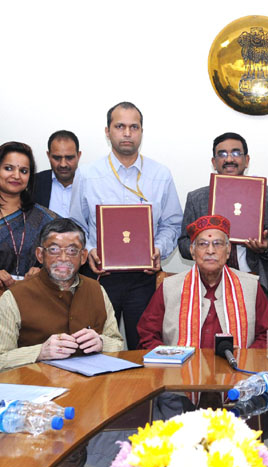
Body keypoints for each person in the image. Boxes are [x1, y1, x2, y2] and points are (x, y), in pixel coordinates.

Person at [69, 101, 182, 349]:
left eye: (134, 127)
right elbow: (76, 224)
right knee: (95, 347)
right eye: (120, 126)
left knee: (143, 347)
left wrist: (158, 250)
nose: (127, 133)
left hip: (143, 278)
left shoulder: (160, 174)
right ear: (108, 131)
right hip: (99, 276)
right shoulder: (88, 174)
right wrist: (89, 249)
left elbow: (173, 224)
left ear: (142, 131)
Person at [0, 218, 124, 376]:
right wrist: (40, 352)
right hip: (35, 391)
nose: (63, 258)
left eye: (72, 251)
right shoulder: (15, 297)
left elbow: (118, 343)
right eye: (54, 250)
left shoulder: (97, 290)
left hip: (92, 387)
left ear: (83, 257)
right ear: (40, 255)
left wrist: (101, 343)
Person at [177, 132, 268, 305]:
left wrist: (264, 247)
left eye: (236, 153)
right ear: (214, 162)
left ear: (247, 160)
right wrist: (202, 245)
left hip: (253, 282)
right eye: (222, 154)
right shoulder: (197, 198)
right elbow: (184, 244)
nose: (229, 159)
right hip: (207, 285)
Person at [137, 215, 268, 350]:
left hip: (237, 368)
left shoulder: (250, 287)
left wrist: (244, 359)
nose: (210, 251)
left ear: (228, 250)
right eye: (203, 244)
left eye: (217, 244)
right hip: (180, 369)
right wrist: (170, 359)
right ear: (192, 251)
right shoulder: (169, 287)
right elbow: (147, 335)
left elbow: (265, 337)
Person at [0, 141, 58, 290]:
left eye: (24, 171)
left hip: (31, 298)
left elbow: (62, 257)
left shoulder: (42, 218)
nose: (16, 176)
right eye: (8, 168)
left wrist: (44, 273)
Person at [33, 130, 82, 216]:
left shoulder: (91, 184)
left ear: (78, 155)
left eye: (69, 158)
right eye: (57, 158)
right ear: (48, 156)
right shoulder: (33, 183)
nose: (63, 164)